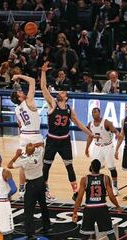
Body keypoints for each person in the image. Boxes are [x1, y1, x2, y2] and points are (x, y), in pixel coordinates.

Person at [40, 61, 95, 202]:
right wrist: (43, 72)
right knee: (46, 167)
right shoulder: (52, 103)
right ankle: (45, 191)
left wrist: (91, 134)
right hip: (52, 139)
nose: (61, 92)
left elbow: (79, 124)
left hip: (64, 141)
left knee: (69, 167)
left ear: (66, 97)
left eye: (63, 92)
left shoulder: (70, 109)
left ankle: (76, 192)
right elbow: (43, 88)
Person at [72, 159, 126, 240]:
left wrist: (75, 212)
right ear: (100, 168)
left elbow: (79, 198)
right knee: (110, 233)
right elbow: (111, 195)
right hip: (102, 208)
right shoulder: (105, 178)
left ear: (91, 167)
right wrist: (118, 206)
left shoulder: (85, 179)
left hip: (89, 209)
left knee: (85, 236)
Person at [8, 143, 51, 240]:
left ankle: (30, 234)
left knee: (28, 211)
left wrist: (17, 155)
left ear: (26, 151)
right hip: (41, 182)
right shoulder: (40, 154)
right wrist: (35, 145)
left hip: (31, 185)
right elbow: (42, 144)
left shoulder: (24, 161)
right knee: (43, 205)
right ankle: (47, 226)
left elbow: (9, 165)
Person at [10, 74, 42, 201]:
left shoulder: (17, 109)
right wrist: (18, 75)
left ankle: (22, 190)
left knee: (23, 164)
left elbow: (19, 124)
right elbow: (33, 80)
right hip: (34, 135)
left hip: (24, 136)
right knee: (39, 163)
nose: (22, 92)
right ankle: (42, 189)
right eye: (20, 92)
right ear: (19, 97)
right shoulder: (28, 101)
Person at [85, 107, 120, 196]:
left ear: (99, 113)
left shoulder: (106, 122)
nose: (94, 114)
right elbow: (89, 136)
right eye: (93, 112)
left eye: (96, 112)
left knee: (112, 168)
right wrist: (86, 148)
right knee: (92, 168)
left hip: (108, 146)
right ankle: (97, 185)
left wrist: (117, 133)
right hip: (97, 147)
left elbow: (115, 130)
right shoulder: (90, 124)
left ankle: (115, 187)